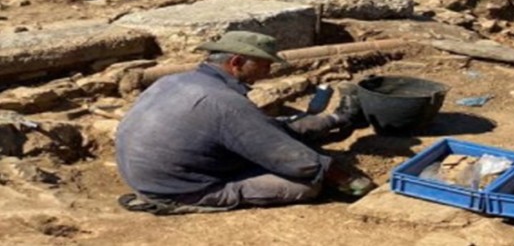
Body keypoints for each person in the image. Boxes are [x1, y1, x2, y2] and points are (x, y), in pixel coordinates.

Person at [115, 31, 369, 214]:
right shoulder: (224, 102)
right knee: (304, 186)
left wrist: (332, 120)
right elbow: (299, 163)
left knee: (268, 131)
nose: (269, 72)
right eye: (265, 65)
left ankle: (339, 118)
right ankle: (174, 203)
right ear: (236, 63)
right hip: (178, 188)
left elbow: (262, 128)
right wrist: (348, 181)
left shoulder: (175, 80)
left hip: (143, 173)